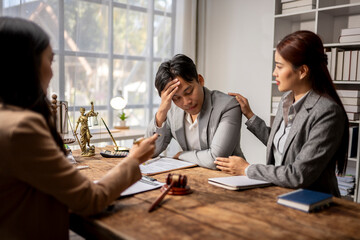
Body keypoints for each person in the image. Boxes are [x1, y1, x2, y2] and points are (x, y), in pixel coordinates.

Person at [0, 17, 157, 239]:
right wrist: (133, 160)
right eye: (50, 60)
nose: (52, 72)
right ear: (27, 64)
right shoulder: (21, 129)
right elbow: (89, 199)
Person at [216, 30, 348, 197]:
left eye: (279, 66)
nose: (274, 73)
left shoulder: (327, 112)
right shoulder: (286, 99)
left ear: (302, 71)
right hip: (280, 195)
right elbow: (284, 146)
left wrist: (246, 169)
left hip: (312, 203)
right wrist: (250, 115)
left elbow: (299, 175)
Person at [146, 54, 245, 169]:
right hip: (194, 177)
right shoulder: (171, 110)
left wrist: (182, 155)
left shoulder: (228, 105)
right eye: (176, 98)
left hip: (229, 179)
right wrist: (162, 111)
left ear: (200, 80)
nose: (186, 102)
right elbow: (149, 152)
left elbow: (216, 158)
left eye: (189, 92)